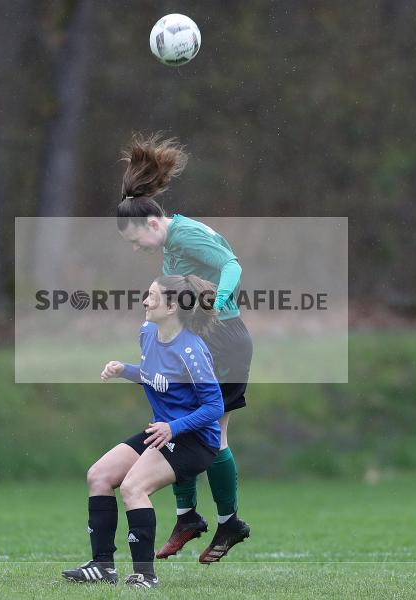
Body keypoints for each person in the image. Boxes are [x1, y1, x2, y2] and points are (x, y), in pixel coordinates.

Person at [115, 133, 253, 563]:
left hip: (224, 342)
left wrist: (225, 296)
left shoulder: (185, 236)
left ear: (154, 224)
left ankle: (229, 522)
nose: (137, 249)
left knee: (211, 433)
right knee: (174, 424)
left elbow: (231, 263)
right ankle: (188, 516)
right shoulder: (172, 241)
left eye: (137, 240)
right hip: (198, 340)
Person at [61, 275, 224, 588]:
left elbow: (214, 407)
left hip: (195, 441)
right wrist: (125, 370)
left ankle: (145, 576)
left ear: (173, 306)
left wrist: (173, 427)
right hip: (162, 432)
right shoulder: (148, 332)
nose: (145, 302)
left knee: (133, 487)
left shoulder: (192, 352)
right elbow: (154, 376)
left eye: (152, 296)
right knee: (99, 475)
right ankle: (102, 566)